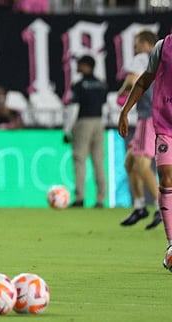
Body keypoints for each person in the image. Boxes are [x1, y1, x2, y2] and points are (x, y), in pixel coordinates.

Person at [118, 33, 172, 271]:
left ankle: (143, 206)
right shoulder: (162, 47)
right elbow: (143, 80)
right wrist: (125, 109)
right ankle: (171, 243)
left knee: (137, 164)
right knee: (163, 174)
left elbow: (135, 78)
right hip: (165, 124)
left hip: (152, 120)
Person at [117, 30, 162, 229]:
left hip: (148, 116)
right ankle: (140, 206)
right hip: (161, 114)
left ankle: (162, 209)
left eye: (137, 43)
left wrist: (121, 93)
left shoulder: (143, 57)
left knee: (142, 165)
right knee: (130, 162)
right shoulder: (164, 57)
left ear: (145, 43)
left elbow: (133, 80)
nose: (135, 47)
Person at [64, 55, 107, 208]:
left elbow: (73, 108)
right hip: (99, 122)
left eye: (80, 64)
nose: (78, 67)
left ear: (87, 66)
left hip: (83, 122)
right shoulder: (101, 84)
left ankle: (80, 198)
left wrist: (67, 130)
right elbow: (104, 105)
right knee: (98, 162)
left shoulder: (79, 85)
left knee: (79, 160)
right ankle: (101, 199)